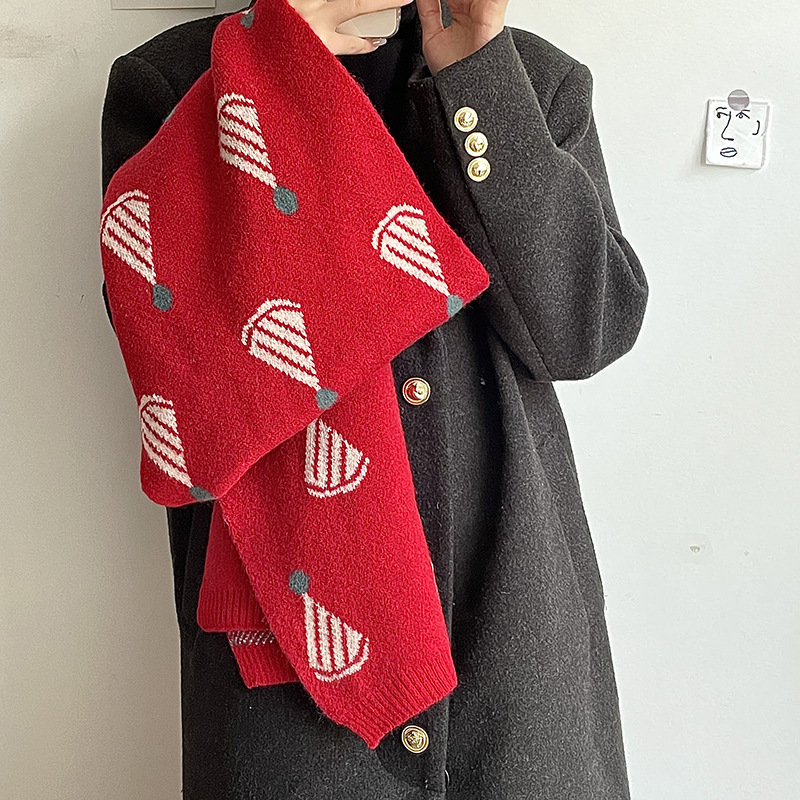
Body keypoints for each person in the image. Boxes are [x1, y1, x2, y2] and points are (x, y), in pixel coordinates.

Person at [100, 0, 649, 797]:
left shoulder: (533, 79)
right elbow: (176, 374)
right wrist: (271, 77)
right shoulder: (177, 78)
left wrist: (477, 80)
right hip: (287, 648)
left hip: (513, 623)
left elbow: (582, 331)